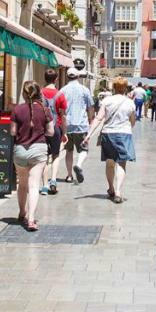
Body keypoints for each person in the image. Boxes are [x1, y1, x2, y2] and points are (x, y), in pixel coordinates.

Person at [84, 76, 137, 204]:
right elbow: (132, 122)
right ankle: (118, 191)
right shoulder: (130, 102)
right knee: (121, 163)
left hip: (108, 134)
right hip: (124, 134)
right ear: (125, 88)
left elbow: (99, 118)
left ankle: (111, 188)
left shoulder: (107, 100)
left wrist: (88, 135)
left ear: (114, 87)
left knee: (109, 163)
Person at [10, 81, 54, 231]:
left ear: (23, 93)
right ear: (38, 93)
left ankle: (22, 212)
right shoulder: (45, 109)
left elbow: (13, 132)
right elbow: (51, 132)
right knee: (34, 185)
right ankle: (31, 219)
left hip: (20, 150)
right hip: (38, 150)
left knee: (21, 184)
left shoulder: (17, 110)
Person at [59, 70, 95, 183]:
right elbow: (90, 107)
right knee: (84, 149)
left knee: (68, 151)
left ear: (67, 76)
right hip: (81, 124)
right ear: (78, 76)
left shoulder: (62, 90)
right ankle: (78, 165)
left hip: (67, 125)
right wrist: (90, 121)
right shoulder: (85, 90)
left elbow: (60, 109)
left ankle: (69, 175)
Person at [40, 69, 69, 195]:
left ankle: (45, 185)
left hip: (42, 129)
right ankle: (53, 180)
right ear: (56, 79)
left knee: (44, 157)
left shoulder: (39, 93)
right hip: (56, 128)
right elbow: (63, 116)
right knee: (56, 155)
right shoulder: (60, 95)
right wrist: (65, 132)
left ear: (45, 78)